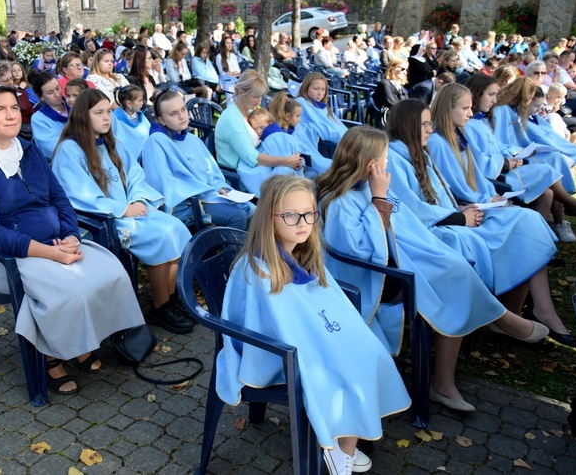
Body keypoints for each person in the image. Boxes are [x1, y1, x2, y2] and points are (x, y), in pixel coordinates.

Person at [317, 126, 549, 413]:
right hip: (370, 278)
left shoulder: (368, 188)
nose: (388, 164)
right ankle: (492, 331)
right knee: (452, 281)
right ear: (370, 165)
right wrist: (379, 200)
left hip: (395, 262)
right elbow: (362, 252)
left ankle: (452, 371)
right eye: (385, 158)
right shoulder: (340, 201)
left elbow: (409, 224)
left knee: (454, 267)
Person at [0, 84, 143, 394]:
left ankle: (83, 339)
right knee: (70, 291)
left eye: (14, 107)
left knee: (111, 272)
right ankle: (50, 356)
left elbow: (60, 198)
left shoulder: (28, 150)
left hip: (56, 242)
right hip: (10, 257)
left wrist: (70, 236)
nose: (10, 114)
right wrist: (51, 254)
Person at [217, 174, 411, 475]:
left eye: (309, 214)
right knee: (346, 371)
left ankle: (344, 437)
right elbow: (271, 326)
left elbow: (315, 308)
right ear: (270, 217)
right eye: (291, 215)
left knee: (369, 354)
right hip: (272, 354)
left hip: (306, 338)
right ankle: (340, 452)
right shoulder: (260, 270)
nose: (303, 223)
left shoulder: (301, 253)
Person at [386, 99, 569, 336]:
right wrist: (460, 218)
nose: (429, 129)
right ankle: (505, 316)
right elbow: (411, 210)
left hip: (454, 214)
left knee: (527, 221)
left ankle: (518, 309)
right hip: (431, 230)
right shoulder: (394, 157)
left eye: (429, 123)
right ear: (407, 125)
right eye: (423, 125)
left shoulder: (419, 151)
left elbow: (440, 194)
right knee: (511, 232)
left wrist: (464, 208)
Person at [427, 84, 576, 348]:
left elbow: (474, 176)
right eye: (464, 108)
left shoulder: (458, 134)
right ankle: (526, 313)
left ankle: (523, 310)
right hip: (465, 211)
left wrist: (492, 196)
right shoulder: (438, 142)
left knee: (529, 223)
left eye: (469, 107)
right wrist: (484, 200)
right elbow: (450, 188)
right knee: (527, 224)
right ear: (447, 109)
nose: (470, 112)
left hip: (481, 203)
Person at [51, 89, 194, 334]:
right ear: (82, 117)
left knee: (175, 227)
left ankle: (170, 298)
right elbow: (78, 195)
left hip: (129, 210)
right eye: (98, 113)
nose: (107, 118)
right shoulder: (69, 150)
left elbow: (136, 176)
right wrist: (122, 208)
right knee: (160, 236)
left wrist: (136, 199)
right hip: (102, 219)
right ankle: (159, 306)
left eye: (108, 111)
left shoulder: (110, 144)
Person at [465, 74, 576, 243]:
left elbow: (497, 145)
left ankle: (538, 242)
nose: (495, 100)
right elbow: (477, 161)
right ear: (477, 94)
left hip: (503, 166)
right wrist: (506, 162)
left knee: (546, 193)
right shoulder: (469, 124)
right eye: (490, 94)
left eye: (496, 94)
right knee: (546, 169)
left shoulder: (479, 121)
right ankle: (572, 206)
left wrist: (515, 153)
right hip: (493, 177)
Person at [142, 90, 254, 230]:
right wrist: (201, 191)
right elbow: (160, 184)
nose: (182, 116)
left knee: (254, 211)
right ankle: (236, 251)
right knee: (237, 216)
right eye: (173, 114)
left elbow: (210, 171)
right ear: (161, 120)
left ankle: (248, 250)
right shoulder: (155, 142)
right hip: (186, 204)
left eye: (183, 109)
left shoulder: (193, 139)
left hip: (208, 195)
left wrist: (219, 186)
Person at [215, 70, 301, 173]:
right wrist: (286, 161)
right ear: (241, 92)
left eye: (261, 96)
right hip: (240, 174)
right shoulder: (232, 119)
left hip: (254, 168)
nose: (259, 101)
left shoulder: (250, 111)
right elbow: (251, 158)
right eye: (255, 96)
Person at [237, 108, 305, 196]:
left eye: (261, 128)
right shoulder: (260, 140)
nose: (258, 132)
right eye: (255, 129)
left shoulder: (275, 137)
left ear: (270, 124)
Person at [269, 91, 331, 174]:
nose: (300, 119)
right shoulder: (279, 135)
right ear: (287, 116)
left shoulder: (294, 129)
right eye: (297, 116)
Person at [295, 72, 347, 144]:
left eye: (323, 90)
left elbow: (337, 125)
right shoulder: (301, 102)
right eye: (316, 89)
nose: (320, 93)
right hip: (335, 144)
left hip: (346, 137)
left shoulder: (323, 107)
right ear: (306, 88)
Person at [31, 72, 69, 160]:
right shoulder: (39, 119)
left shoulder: (73, 105)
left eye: (57, 88)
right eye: (50, 92)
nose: (57, 94)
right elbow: (53, 149)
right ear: (41, 97)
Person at [111, 85, 150, 161]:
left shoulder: (140, 116)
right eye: (139, 100)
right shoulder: (115, 120)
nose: (142, 103)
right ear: (129, 103)